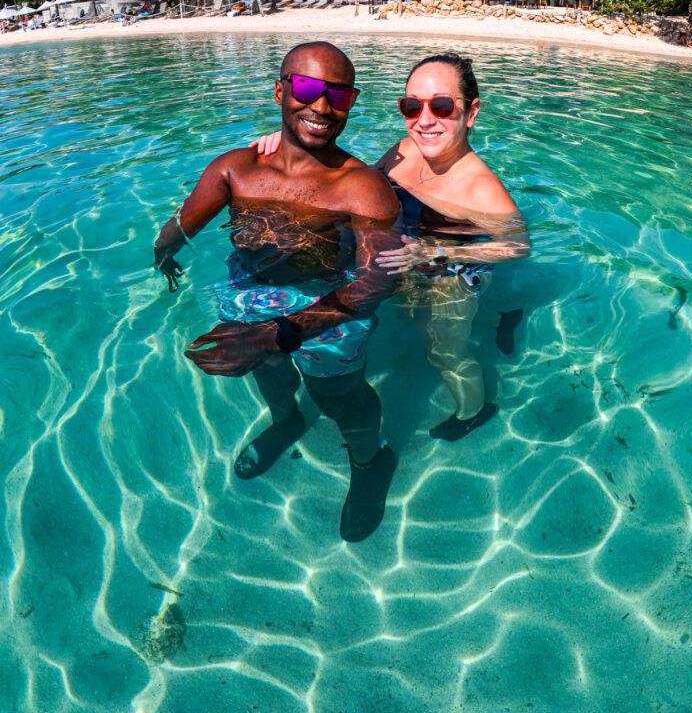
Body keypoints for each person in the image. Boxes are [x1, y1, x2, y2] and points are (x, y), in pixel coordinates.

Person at [154, 41, 401, 543]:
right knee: (267, 371)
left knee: (338, 393)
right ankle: (286, 421)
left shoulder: (362, 187)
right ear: (280, 91)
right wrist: (164, 254)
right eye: (308, 88)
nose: (323, 107)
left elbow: (377, 282)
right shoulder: (238, 168)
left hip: (327, 302)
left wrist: (281, 332)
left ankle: (369, 461)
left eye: (340, 95)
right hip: (251, 289)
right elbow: (182, 223)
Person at [252, 53, 530, 443]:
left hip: (453, 271)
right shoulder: (406, 149)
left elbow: (518, 246)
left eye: (443, 106)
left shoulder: (481, 188)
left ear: (471, 112)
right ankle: (504, 316)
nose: (425, 120)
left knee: (444, 352)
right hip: (413, 257)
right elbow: (358, 181)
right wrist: (292, 146)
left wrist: (437, 253)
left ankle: (475, 411)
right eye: (412, 106)